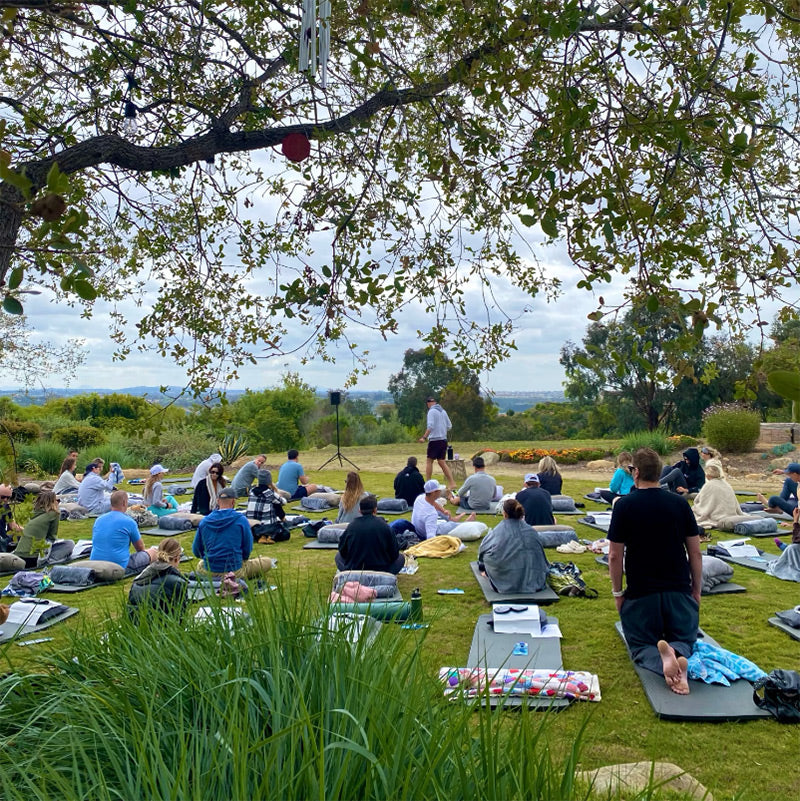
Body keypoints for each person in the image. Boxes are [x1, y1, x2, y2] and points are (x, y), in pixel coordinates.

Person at [608, 448, 702, 696]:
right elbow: (695, 552)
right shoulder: (679, 504)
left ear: (636, 473)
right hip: (679, 592)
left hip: (642, 595)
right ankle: (677, 652)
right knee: (685, 637)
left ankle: (663, 661)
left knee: (640, 644)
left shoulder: (624, 506)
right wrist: (696, 590)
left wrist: (618, 592)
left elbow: (615, 555)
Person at [477, 498, 550, 593]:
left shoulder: (498, 531)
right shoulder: (531, 530)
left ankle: (492, 575)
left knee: (485, 559)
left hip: (505, 580)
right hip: (533, 578)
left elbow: (482, 552)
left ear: (505, 513)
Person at [90, 490, 157, 573]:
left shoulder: (99, 520)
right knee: (152, 552)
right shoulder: (129, 521)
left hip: (95, 564)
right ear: (125, 503)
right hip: (119, 566)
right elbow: (140, 548)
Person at [192, 487, 256, 574]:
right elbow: (247, 548)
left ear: (218, 501)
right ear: (233, 501)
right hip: (234, 570)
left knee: (201, 564)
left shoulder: (205, 522)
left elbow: (196, 550)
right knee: (266, 562)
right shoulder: (241, 520)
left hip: (210, 570)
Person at [335, 495, 405, 574]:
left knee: (338, 557)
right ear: (375, 510)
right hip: (382, 571)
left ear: (360, 511)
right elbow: (394, 553)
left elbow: (342, 549)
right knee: (401, 558)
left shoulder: (352, 526)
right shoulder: (385, 526)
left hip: (355, 570)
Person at [127, 538, 189, 621]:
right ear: (177, 558)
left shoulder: (138, 580)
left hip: (135, 628)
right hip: (161, 630)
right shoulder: (178, 583)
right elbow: (180, 617)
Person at [417, 395, 456, 489]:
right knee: (442, 462)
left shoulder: (431, 411)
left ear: (428, 403)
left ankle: (428, 483)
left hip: (434, 440)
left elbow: (430, 426)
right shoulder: (443, 411)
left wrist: (424, 437)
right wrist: (442, 429)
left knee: (429, 461)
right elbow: (449, 426)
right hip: (443, 440)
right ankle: (452, 483)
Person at [14, 490, 60, 568]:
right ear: (52, 502)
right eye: (57, 500)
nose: (58, 503)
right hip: (33, 558)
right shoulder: (54, 514)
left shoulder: (34, 514)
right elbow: (52, 537)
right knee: (69, 544)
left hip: (18, 555)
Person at [691, 462, 741, 529]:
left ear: (708, 475)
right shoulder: (726, 484)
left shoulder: (709, 485)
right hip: (730, 512)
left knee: (693, 511)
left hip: (717, 515)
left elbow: (700, 501)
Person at [245, 469, 288, 543]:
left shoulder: (251, 491)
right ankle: (270, 536)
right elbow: (283, 502)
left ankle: (262, 536)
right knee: (285, 533)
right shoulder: (270, 493)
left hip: (251, 527)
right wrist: (277, 494)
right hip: (267, 526)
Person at [0, 484, 21, 552]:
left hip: (6, 537)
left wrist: (28, 530)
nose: (5, 499)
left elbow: (13, 525)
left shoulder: (6, 507)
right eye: (2, 497)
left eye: (8, 497)